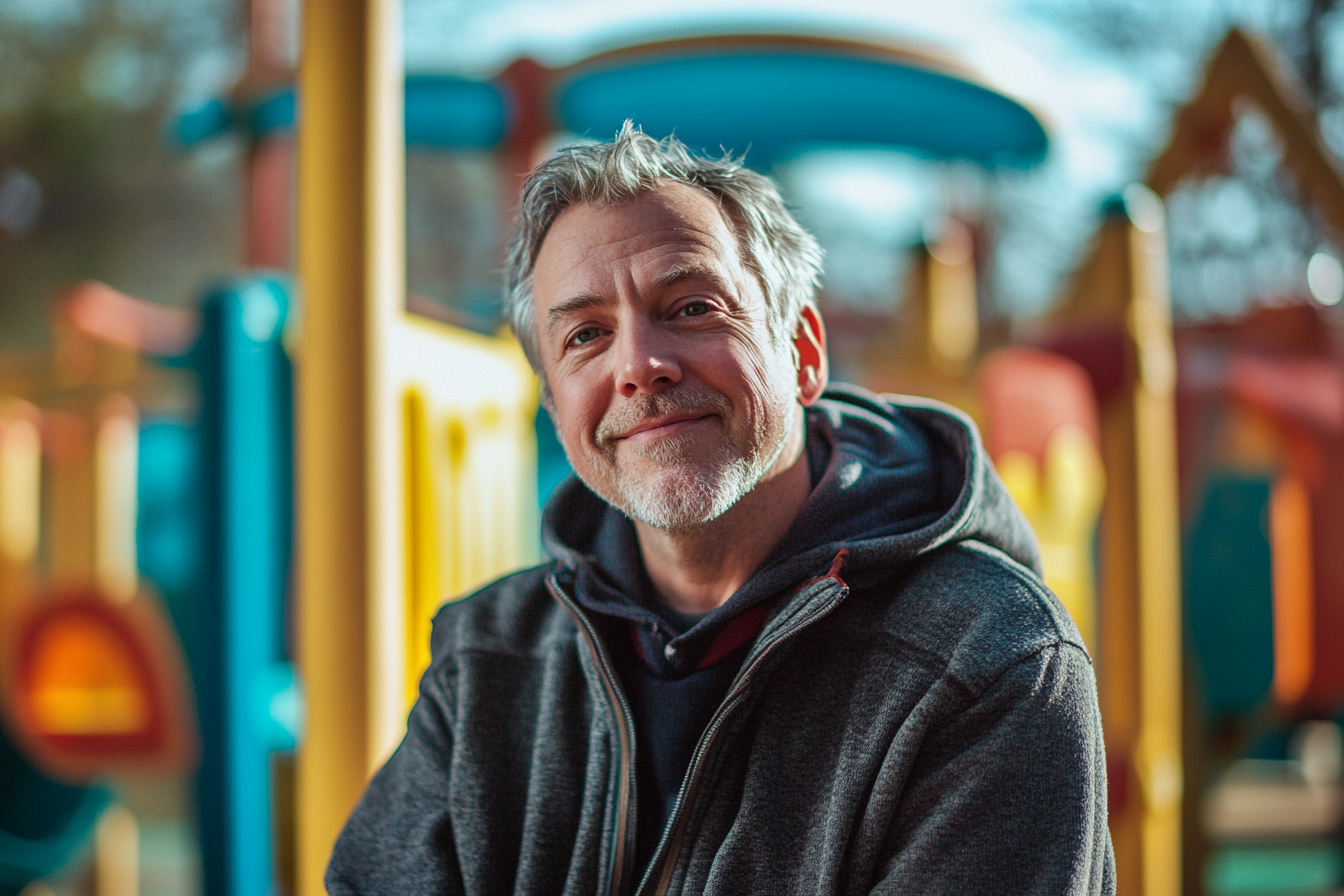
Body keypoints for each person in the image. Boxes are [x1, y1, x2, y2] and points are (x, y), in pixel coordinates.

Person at [327, 123, 1115, 895]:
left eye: (692, 307)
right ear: (557, 405)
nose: (639, 365)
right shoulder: (485, 660)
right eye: (587, 335)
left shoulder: (992, 658)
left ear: (804, 353)